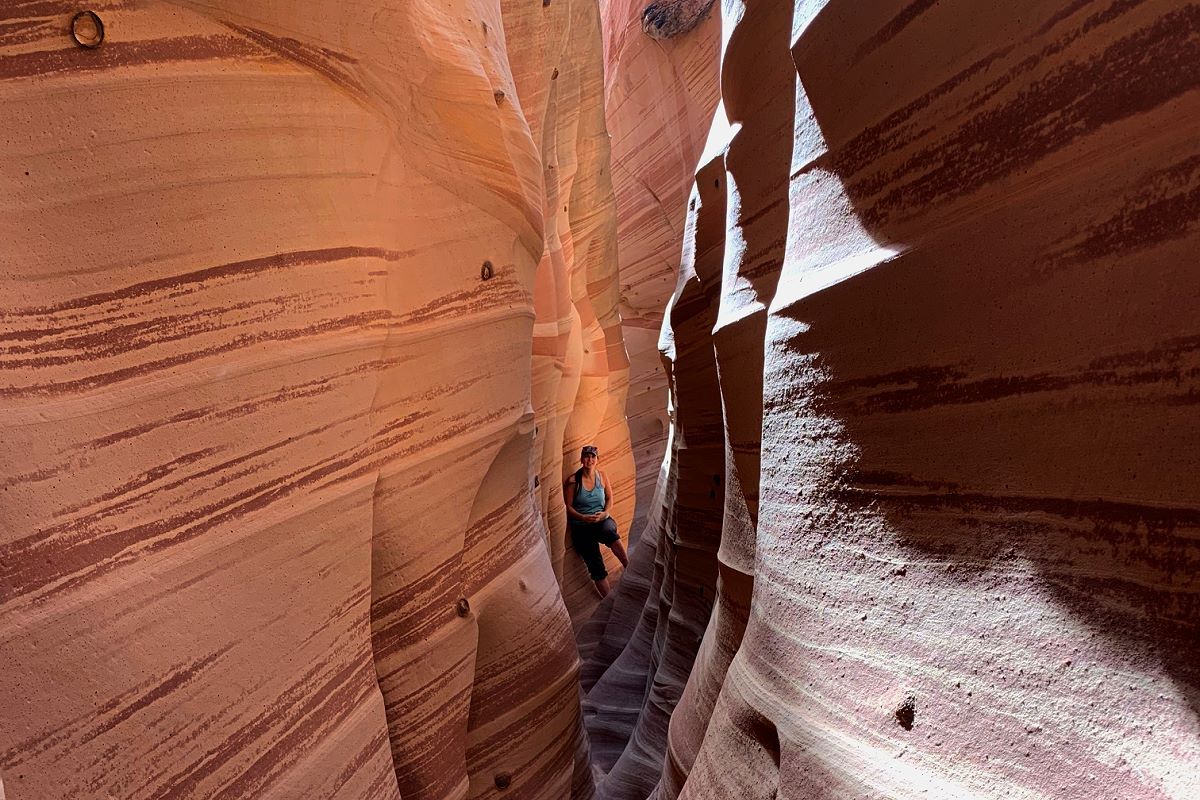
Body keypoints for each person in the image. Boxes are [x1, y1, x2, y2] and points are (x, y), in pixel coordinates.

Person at [565, 444, 628, 597]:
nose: (590, 459)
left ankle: (629, 568)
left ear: (597, 459)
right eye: (586, 456)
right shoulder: (574, 481)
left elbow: (609, 498)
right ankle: (608, 600)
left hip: (601, 521)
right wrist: (582, 517)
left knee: (609, 531)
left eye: (593, 457)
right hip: (582, 526)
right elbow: (568, 507)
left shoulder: (602, 476)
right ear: (581, 460)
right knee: (595, 564)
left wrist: (605, 514)